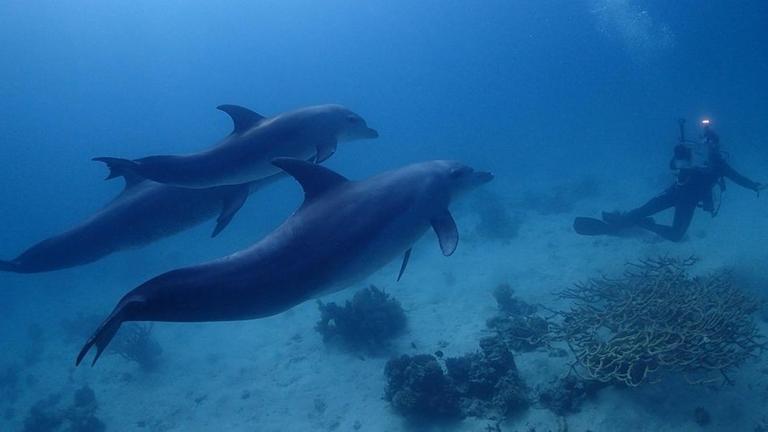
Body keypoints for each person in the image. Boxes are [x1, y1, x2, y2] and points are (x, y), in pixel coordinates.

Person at [601, 119, 765, 241]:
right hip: (674, 192)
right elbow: (673, 165)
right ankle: (621, 222)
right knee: (643, 210)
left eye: (711, 144)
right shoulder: (689, 154)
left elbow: (737, 177)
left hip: (688, 201)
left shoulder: (720, 164)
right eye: (705, 143)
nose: (708, 147)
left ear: (716, 146)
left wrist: (754, 186)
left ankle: (642, 224)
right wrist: (680, 154)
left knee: (676, 235)